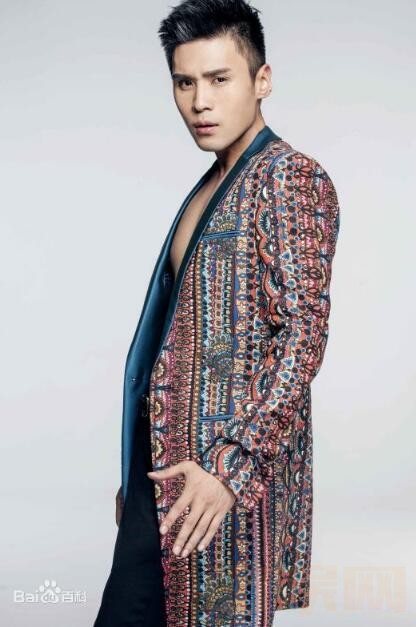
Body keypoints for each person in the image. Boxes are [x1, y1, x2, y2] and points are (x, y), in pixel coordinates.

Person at [94, 1, 340, 626]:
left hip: (220, 482)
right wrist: (136, 473)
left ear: (262, 80)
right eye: (185, 82)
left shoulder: (288, 178)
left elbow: (302, 336)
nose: (200, 102)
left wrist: (232, 467)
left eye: (219, 79)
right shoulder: (211, 182)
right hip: (165, 476)